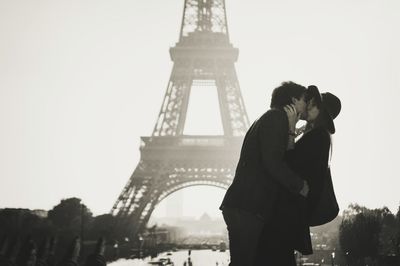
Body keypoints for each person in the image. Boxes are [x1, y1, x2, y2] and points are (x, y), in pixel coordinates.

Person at [219, 81, 310, 266]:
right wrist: (300, 185)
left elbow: (272, 158)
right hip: (248, 207)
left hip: (244, 205)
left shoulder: (268, 118)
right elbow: (273, 163)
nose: (307, 105)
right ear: (293, 100)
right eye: (304, 100)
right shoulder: (275, 119)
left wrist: (291, 131)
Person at [255, 85, 342, 265]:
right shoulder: (318, 136)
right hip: (291, 213)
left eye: (314, 104)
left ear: (323, 112)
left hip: (287, 213)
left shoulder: (317, 137)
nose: (309, 106)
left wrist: (291, 129)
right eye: (309, 102)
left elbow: (288, 162)